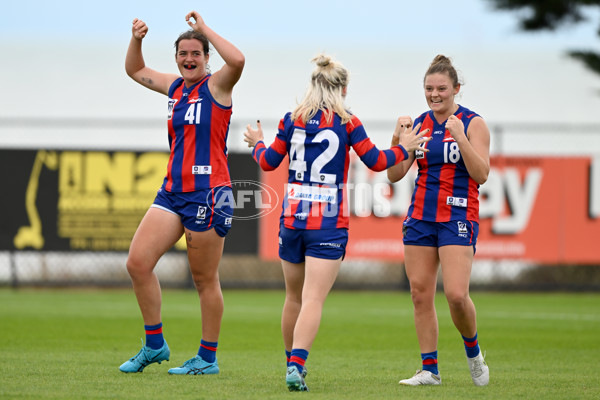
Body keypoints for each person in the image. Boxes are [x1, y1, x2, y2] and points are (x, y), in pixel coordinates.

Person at [243, 54, 430, 392]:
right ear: (343, 88)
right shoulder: (347, 122)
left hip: (292, 219)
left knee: (293, 297)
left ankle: (291, 363)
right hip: (327, 222)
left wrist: (257, 143)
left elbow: (268, 161)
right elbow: (375, 161)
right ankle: (297, 366)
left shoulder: (293, 119)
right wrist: (404, 149)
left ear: (313, 86)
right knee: (313, 298)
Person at [118, 11, 245, 375]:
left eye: (196, 53)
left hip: (209, 194)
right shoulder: (174, 87)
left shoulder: (218, 86)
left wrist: (203, 28)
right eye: (183, 53)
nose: (189, 59)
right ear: (176, 57)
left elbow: (238, 59)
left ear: (207, 59)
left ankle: (207, 358)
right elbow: (134, 69)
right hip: (172, 192)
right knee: (137, 263)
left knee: (204, 280)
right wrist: (137, 39)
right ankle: (155, 345)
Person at [387, 54, 490, 386]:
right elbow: (395, 174)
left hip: (457, 215)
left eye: (442, 88)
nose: (434, 95)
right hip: (420, 216)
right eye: (429, 88)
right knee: (420, 293)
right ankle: (429, 370)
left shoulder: (473, 124)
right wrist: (396, 141)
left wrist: (460, 136)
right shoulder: (418, 124)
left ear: (456, 89)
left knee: (457, 295)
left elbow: (482, 174)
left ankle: (473, 354)